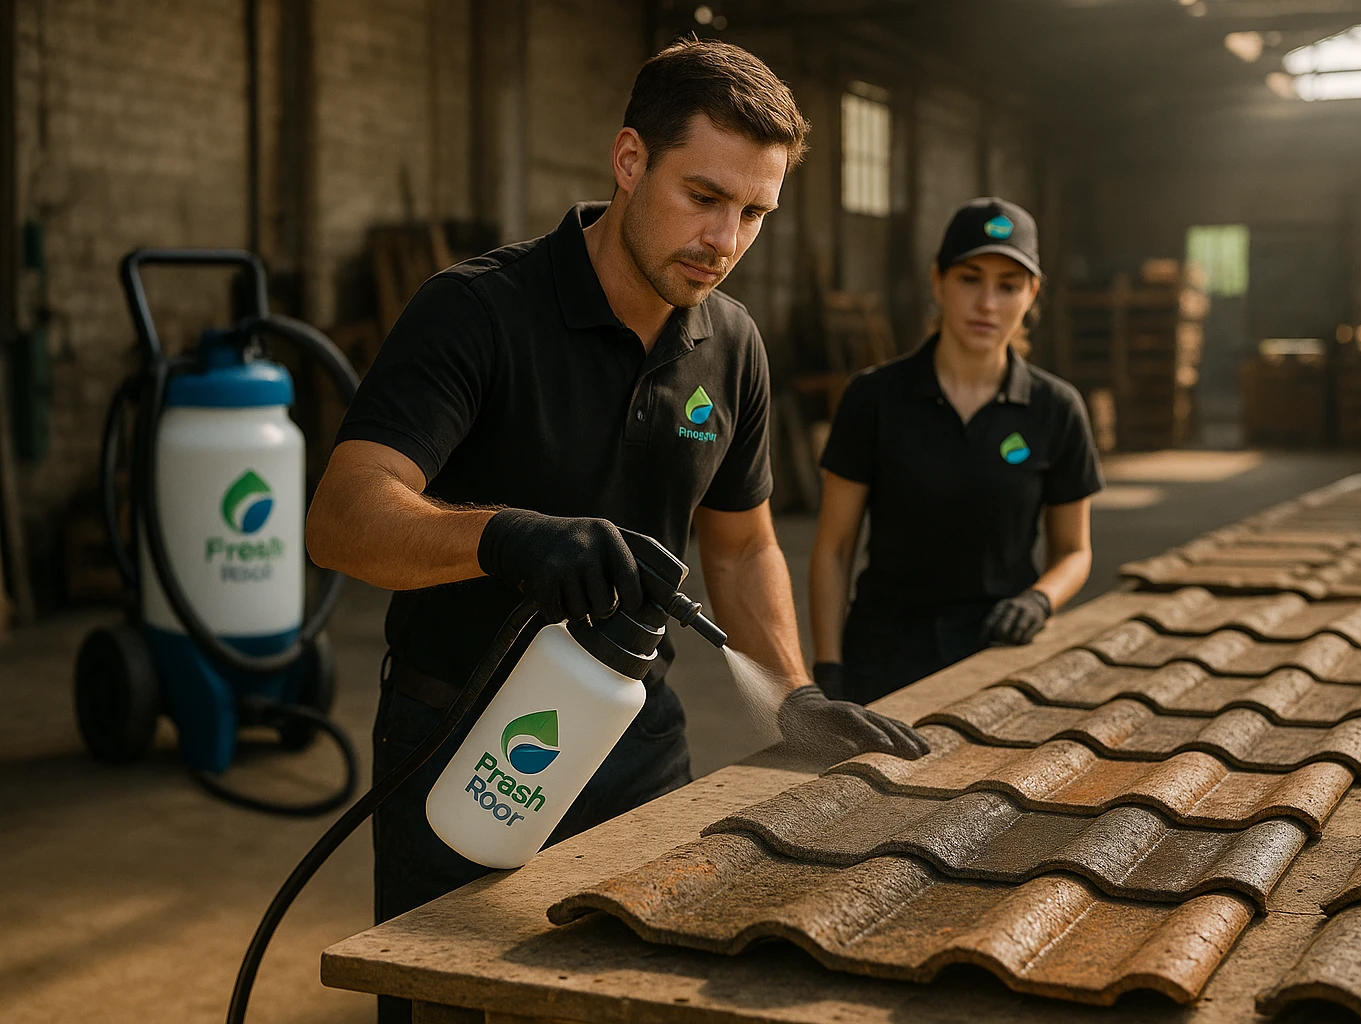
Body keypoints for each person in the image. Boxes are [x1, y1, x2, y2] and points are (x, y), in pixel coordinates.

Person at [304, 39, 925, 1024]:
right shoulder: (479, 312)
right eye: (703, 195)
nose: (725, 238)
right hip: (462, 739)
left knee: (632, 999)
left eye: (754, 212)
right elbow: (342, 517)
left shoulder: (733, 345)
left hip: (633, 737)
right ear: (629, 161)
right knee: (454, 1001)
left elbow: (741, 542)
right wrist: (502, 535)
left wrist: (791, 692)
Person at [808, 197, 1103, 705]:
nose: (987, 303)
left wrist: (1039, 600)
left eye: (1008, 286)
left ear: (1032, 294)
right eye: (970, 278)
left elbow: (1074, 550)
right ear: (937, 281)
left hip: (999, 655)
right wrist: (830, 668)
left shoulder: (1056, 409)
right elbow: (834, 548)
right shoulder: (875, 398)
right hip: (884, 656)